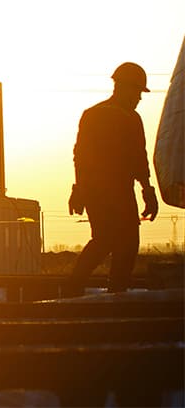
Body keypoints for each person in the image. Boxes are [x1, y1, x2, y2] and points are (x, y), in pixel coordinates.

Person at [66, 62, 159, 295]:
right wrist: (148, 192)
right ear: (124, 88)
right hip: (117, 192)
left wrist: (79, 191)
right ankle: (115, 292)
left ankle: (73, 289)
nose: (139, 98)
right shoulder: (130, 118)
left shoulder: (92, 115)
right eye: (138, 92)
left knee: (103, 240)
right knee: (125, 244)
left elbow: (80, 157)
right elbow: (139, 159)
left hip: (96, 192)